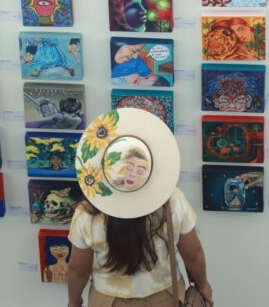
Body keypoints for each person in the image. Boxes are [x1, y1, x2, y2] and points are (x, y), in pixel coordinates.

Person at [68, 108, 213, 307]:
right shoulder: (173, 200)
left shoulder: (87, 211)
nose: (132, 172)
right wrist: (203, 285)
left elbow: (78, 270)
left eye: (139, 168)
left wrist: (74, 301)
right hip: (166, 297)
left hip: (108, 301)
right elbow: (193, 254)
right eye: (128, 166)